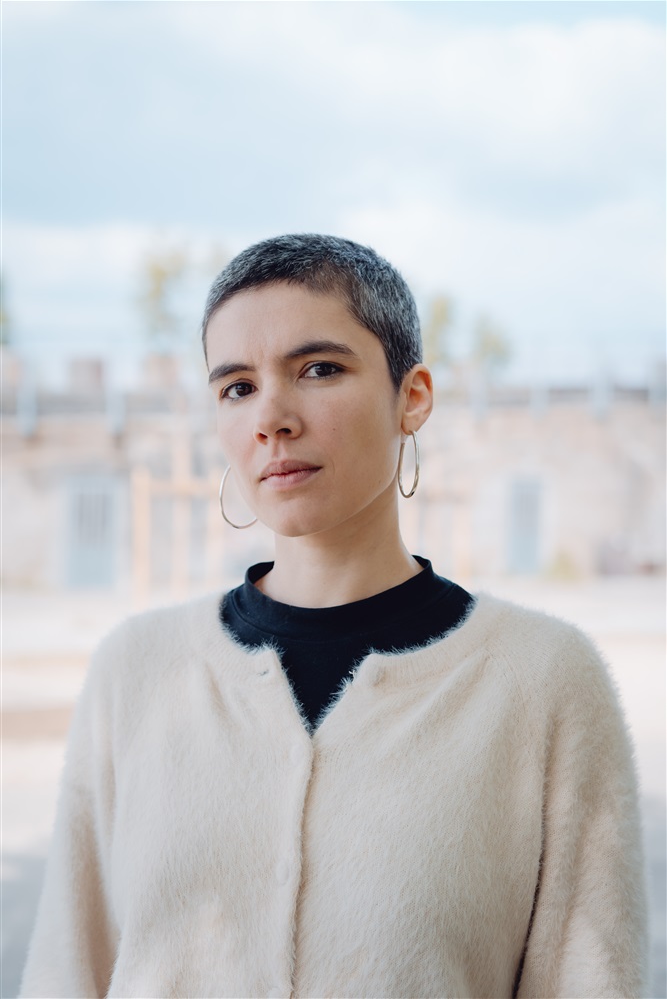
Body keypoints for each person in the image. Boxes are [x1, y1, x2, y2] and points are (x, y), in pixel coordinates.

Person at [21, 234, 648, 999]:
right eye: (236, 387)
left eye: (318, 369)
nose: (271, 418)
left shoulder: (543, 681)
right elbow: (65, 971)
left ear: (411, 397)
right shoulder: (135, 670)